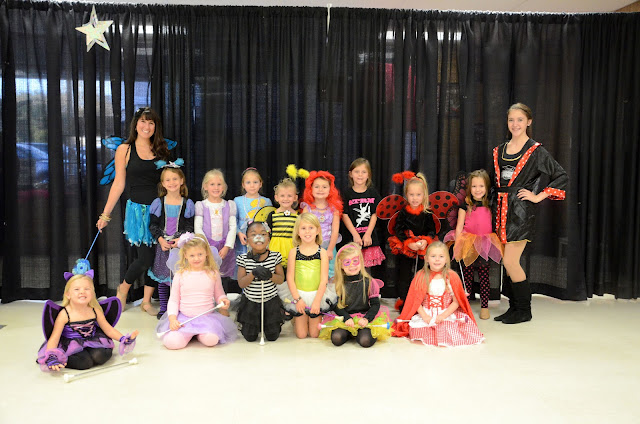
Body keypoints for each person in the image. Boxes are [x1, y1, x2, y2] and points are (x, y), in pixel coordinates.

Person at [492, 103, 568, 324]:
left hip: (520, 213)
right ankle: (514, 308)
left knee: (511, 261)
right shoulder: (499, 150)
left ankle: (525, 310)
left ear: (529, 122)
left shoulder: (536, 151)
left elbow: (561, 175)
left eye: (520, 119)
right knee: (507, 263)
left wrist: (537, 196)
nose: (515, 124)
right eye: (511, 120)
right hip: (500, 210)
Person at [96, 107, 172, 315]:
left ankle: (146, 301)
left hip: (160, 210)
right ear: (136, 124)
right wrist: (106, 214)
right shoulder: (125, 149)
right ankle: (123, 289)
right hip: (138, 212)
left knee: (158, 258)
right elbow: (118, 183)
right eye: (143, 122)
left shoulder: (161, 149)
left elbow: (169, 181)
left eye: (151, 123)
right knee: (145, 258)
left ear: (155, 127)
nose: (147, 126)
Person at [37, 260, 138, 371]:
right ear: (68, 294)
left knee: (100, 356)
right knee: (84, 363)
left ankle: (89, 353)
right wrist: (52, 355)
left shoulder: (94, 310)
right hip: (70, 343)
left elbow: (108, 329)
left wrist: (123, 339)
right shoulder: (65, 314)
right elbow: (54, 337)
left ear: (92, 293)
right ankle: (66, 358)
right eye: (77, 289)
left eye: (87, 289)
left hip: (92, 339)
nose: (82, 292)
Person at [392, 241, 484, 347]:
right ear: (426, 259)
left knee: (448, 328)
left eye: (441, 256)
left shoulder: (452, 277)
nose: (437, 259)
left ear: (446, 259)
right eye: (433, 256)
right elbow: (415, 301)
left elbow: (456, 302)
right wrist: (425, 316)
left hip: (446, 313)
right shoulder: (421, 276)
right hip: (426, 313)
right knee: (419, 330)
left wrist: (443, 316)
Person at [156, 233, 237, 349]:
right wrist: (172, 319)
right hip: (184, 318)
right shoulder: (180, 275)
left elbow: (219, 294)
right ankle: (189, 333)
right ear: (185, 255)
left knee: (212, 340)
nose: (196, 258)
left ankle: (198, 334)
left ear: (206, 253)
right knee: (172, 343)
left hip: (207, 318)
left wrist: (223, 300)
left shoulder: (213, 273)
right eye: (192, 255)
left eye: (200, 254)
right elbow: (174, 300)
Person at [444, 169, 503, 320]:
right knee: (467, 276)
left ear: (487, 187)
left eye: (481, 186)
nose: (477, 190)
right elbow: (459, 227)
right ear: (469, 188)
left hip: (485, 242)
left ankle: (484, 306)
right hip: (468, 242)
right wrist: (458, 244)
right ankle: (466, 305)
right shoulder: (466, 205)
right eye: (474, 186)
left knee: (484, 276)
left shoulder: (491, 204)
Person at [318, 243, 391, 347]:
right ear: (341, 265)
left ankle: (360, 333)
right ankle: (350, 333)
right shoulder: (337, 283)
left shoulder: (369, 282)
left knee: (365, 340)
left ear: (361, 261)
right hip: (345, 318)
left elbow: (375, 304)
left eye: (355, 261)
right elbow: (336, 305)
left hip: (364, 318)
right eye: (347, 262)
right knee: (336, 338)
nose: (352, 265)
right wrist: (346, 318)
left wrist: (367, 319)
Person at [148, 162, 195, 318]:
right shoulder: (158, 203)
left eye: (175, 179)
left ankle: (179, 308)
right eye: (167, 180)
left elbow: (189, 226)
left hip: (180, 247)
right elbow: (153, 225)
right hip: (163, 246)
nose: (172, 182)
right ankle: (164, 308)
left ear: (181, 181)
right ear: (163, 183)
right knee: (163, 278)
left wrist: (180, 239)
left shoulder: (187, 204)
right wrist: (160, 240)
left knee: (179, 278)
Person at [282, 213, 337, 339]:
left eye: (311, 228)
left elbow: (324, 280)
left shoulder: (322, 252)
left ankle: (313, 317)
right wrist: (297, 299)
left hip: (316, 295)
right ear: (298, 232)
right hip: (299, 294)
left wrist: (317, 302)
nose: (307, 232)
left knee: (314, 334)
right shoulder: (294, 252)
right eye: (303, 228)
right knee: (301, 335)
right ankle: (297, 319)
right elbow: (290, 278)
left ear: (317, 230)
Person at [388, 173, 437, 310]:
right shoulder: (403, 213)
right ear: (406, 195)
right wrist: (408, 242)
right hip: (406, 248)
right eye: (411, 195)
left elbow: (432, 231)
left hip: (422, 248)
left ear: (424, 195)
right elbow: (398, 230)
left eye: (418, 195)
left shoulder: (427, 213)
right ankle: (404, 300)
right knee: (404, 274)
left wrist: (426, 241)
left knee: (422, 274)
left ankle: (421, 300)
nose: (415, 198)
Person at [236, 222, 286, 342]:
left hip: (270, 301)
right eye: (253, 235)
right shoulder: (243, 259)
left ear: (268, 239)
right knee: (250, 337)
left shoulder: (275, 257)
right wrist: (253, 274)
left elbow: (280, 279)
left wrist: (270, 275)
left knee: (273, 336)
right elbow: (241, 283)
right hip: (251, 302)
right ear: (247, 240)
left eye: (263, 234)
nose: (259, 237)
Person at [195, 169, 238, 297]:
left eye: (219, 184)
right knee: (207, 275)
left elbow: (232, 227)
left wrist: (227, 246)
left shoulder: (229, 205)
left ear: (224, 187)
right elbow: (198, 228)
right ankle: (207, 300)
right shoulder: (201, 205)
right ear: (205, 186)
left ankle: (222, 301)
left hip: (224, 248)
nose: (216, 187)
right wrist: (207, 247)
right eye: (212, 184)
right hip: (207, 247)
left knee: (223, 275)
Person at [341, 158, 385, 271]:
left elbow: (375, 214)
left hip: (368, 239)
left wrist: (368, 234)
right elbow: (344, 215)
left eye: (363, 172)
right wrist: (355, 235)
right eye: (357, 171)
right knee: (351, 268)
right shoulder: (346, 194)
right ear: (351, 174)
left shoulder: (373, 193)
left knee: (367, 272)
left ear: (368, 175)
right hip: (352, 238)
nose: (360, 175)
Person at [301, 171, 343, 278]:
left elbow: (335, 231)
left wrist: (330, 249)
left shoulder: (334, 210)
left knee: (331, 272)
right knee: (313, 272)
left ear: (330, 189)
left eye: (324, 187)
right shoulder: (307, 209)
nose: (320, 189)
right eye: (317, 187)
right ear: (311, 189)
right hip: (311, 246)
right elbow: (303, 230)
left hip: (329, 245)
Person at [233, 168, 272, 258]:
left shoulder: (266, 201)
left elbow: (269, 222)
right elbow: (234, 221)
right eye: (248, 182)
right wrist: (239, 233)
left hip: (259, 239)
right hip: (243, 239)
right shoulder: (237, 200)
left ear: (260, 184)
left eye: (255, 182)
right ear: (243, 185)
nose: (252, 185)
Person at [265, 177, 298, 271]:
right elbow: (266, 232)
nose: (286, 199)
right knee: (276, 272)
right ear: (276, 198)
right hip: (275, 248)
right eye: (282, 196)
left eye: (289, 196)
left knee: (291, 272)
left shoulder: (298, 216)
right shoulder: (272, 215)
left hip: (292, 248)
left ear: (295, 197)